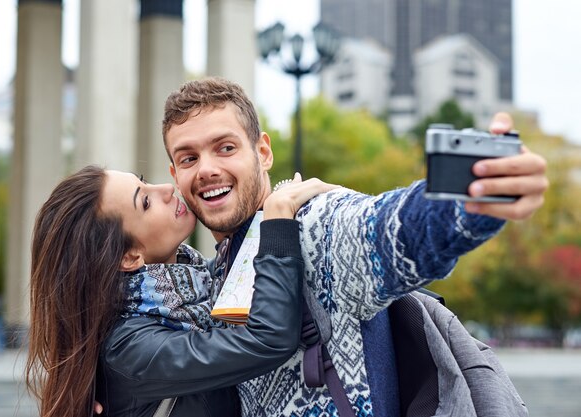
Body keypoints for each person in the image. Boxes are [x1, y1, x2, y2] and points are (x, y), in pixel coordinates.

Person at [162, 77, 548, 416]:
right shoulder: (212, 274)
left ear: (263, 152)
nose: (207, 168)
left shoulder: (316, 225)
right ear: (175, 174)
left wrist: (476, 196)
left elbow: (395, 226)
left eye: (225, 148)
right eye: (189, 158)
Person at [24, 164, 338, 417]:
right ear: (128, 256)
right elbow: (267, 339)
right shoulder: (131, 349)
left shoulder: (200, 284)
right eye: (145, 202)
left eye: (145, 182)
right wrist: (278, 218)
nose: (165, 189)